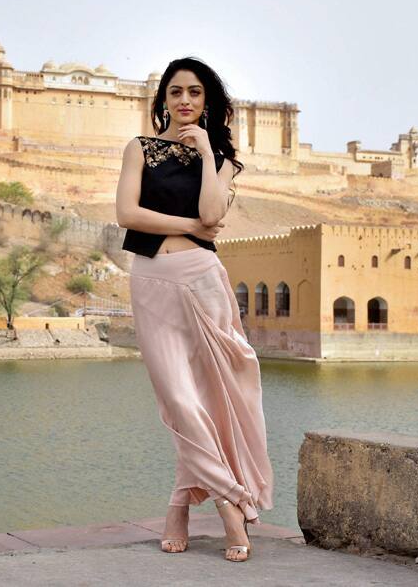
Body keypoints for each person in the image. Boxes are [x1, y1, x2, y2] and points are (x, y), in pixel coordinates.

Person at [115, 57, 274, 562]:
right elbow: (127, 214)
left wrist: (206, 152)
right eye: (176, 91)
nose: (185, 100)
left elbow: (211, 214)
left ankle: (180, 504)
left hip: (203, 282)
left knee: (214, 399)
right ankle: (229, 501)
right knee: (180, 401)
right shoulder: (140, 149)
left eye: (196, 93)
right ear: (162, 98)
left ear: (208, 103)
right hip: (152, 280)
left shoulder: (223, 161)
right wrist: (188, 230)